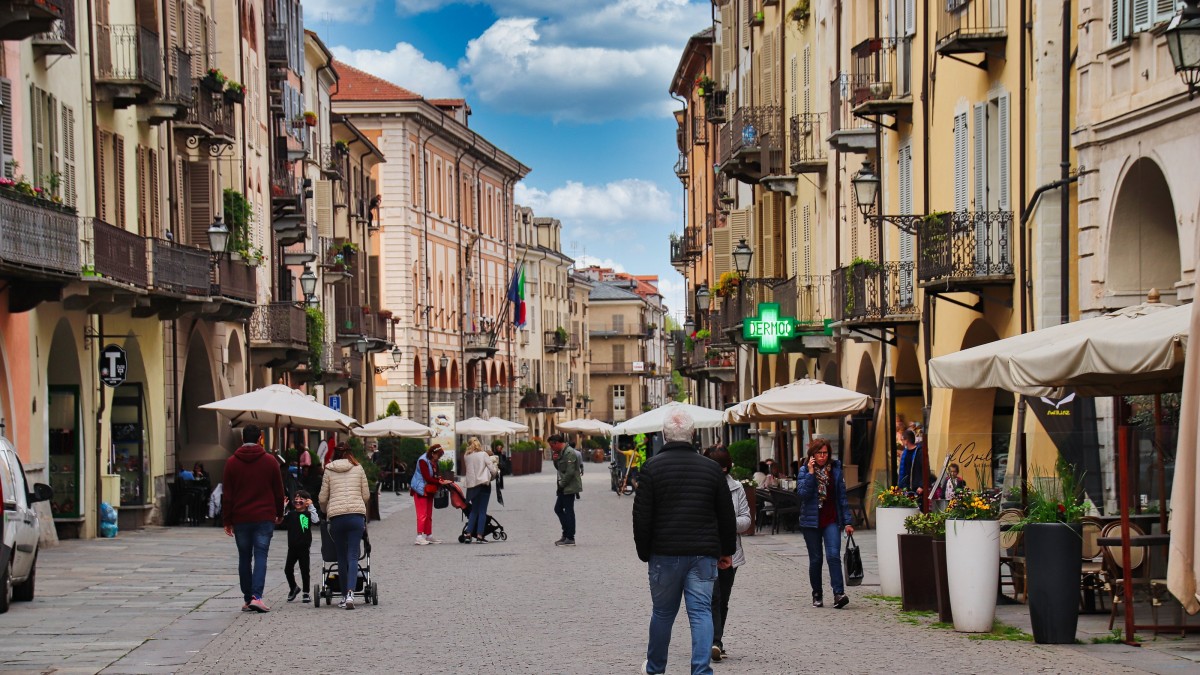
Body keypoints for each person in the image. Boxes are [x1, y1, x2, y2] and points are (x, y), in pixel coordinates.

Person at [633, 410, 736, 675]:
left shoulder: (652, 468)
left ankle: (656, 668)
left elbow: (642, 516)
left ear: (664, 435)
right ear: (693, 435)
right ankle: (700, 670)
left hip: (664, 553)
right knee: (701, 613)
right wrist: (726, 551)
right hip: (703, 554)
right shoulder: (712, 469)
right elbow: (726, 515)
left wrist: (644, 552)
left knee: (663, 614)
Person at [222, 424, 284, 613]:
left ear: (242, 439)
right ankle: (257, 597)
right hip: (264, 516)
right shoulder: (270, 461)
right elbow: (278, 491)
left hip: (241, 518)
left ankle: (248, 598)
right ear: (260, 439)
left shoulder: (232, 462)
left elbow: (227, 494)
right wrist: (280, 513)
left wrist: (227, 520)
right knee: (261, 555)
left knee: (244, 558)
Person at [796, 437, 854, 609]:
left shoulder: (835, 471)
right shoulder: (804, 471)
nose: (822, 456)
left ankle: (838, 593)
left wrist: (847, 522)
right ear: (812, 455)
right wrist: (811, 473)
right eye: (819, 453)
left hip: (831, 519)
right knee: (816, 560)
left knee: (833, 556)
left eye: (825, 453)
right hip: (810, 522)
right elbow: (803, 494)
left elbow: (842, 498)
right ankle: (817, 594)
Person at [707, 447, 751, 662]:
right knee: (711, 598)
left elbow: (746, 520)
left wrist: (727, 523)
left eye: (722, 469)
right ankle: (713, 641)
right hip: (705, 551)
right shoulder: (701, 486)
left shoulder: (737, 489)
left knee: (722, 599)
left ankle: (716, 640)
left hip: (730, 552)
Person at [319, 443, 369, 610]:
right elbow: (366, 495)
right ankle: (350, 594)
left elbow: (323, 497)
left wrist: (326, 511)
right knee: (353, 555)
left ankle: (342, 596)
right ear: (350, 453)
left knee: (341, 556)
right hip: (356, 517)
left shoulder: (329, 469)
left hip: (337, 517)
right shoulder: (358, 468)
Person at [282, 489, 320, 603]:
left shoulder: (307, 514)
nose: (298, 501)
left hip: (303, 546)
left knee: (304, 570)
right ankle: (293, 587)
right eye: (296, 499)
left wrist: (312, 507)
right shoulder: (291, 514)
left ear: (307, 501)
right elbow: (282, 519)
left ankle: (306, 592)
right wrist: (283, 507)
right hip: (292, 547)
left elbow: (316, 521)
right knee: (288, 569)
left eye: (301, 499)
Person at [410, 444, 450, 545]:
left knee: (428, 514)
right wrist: (440, 482)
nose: (439, 458)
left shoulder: (434, 461)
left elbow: (435, 475)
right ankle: (419, 536)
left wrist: (441, 479)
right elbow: (427, 477)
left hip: (429, 489)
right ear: (433, 454)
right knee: (422, 514)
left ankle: (428, 535)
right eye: (438, 455)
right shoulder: (423, 460)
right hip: (420, 489)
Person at [462, 437, 500, 543]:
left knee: (474, 510)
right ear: (479, 444)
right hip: (483, 484)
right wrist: (494, 474)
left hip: (472, 486)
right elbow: (492, 469)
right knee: (482, 511)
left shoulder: (466, 456)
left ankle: (468, 534)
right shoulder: (483, 454)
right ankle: (479, 535)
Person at [549, 434, 581, 546]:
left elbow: (570, 472)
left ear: (556, 443)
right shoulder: (561, 453)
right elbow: (560, 469)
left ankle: (570, 537)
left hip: (569, 486)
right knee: (558, 509)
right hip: (564, 486)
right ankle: (566, 534)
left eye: (552, 446)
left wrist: (561, 485)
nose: (551, 449)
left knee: (568, 510)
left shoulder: (569, 453)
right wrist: (555, 460)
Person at [898, 429, 924, 496]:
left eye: (902, 439)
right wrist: (901, 486)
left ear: (907, 440)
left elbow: (924, 470)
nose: (901, 441)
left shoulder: (919, 452)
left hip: (917, 488)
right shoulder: (904, 453)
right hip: (906, 488)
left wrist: (921, 486)